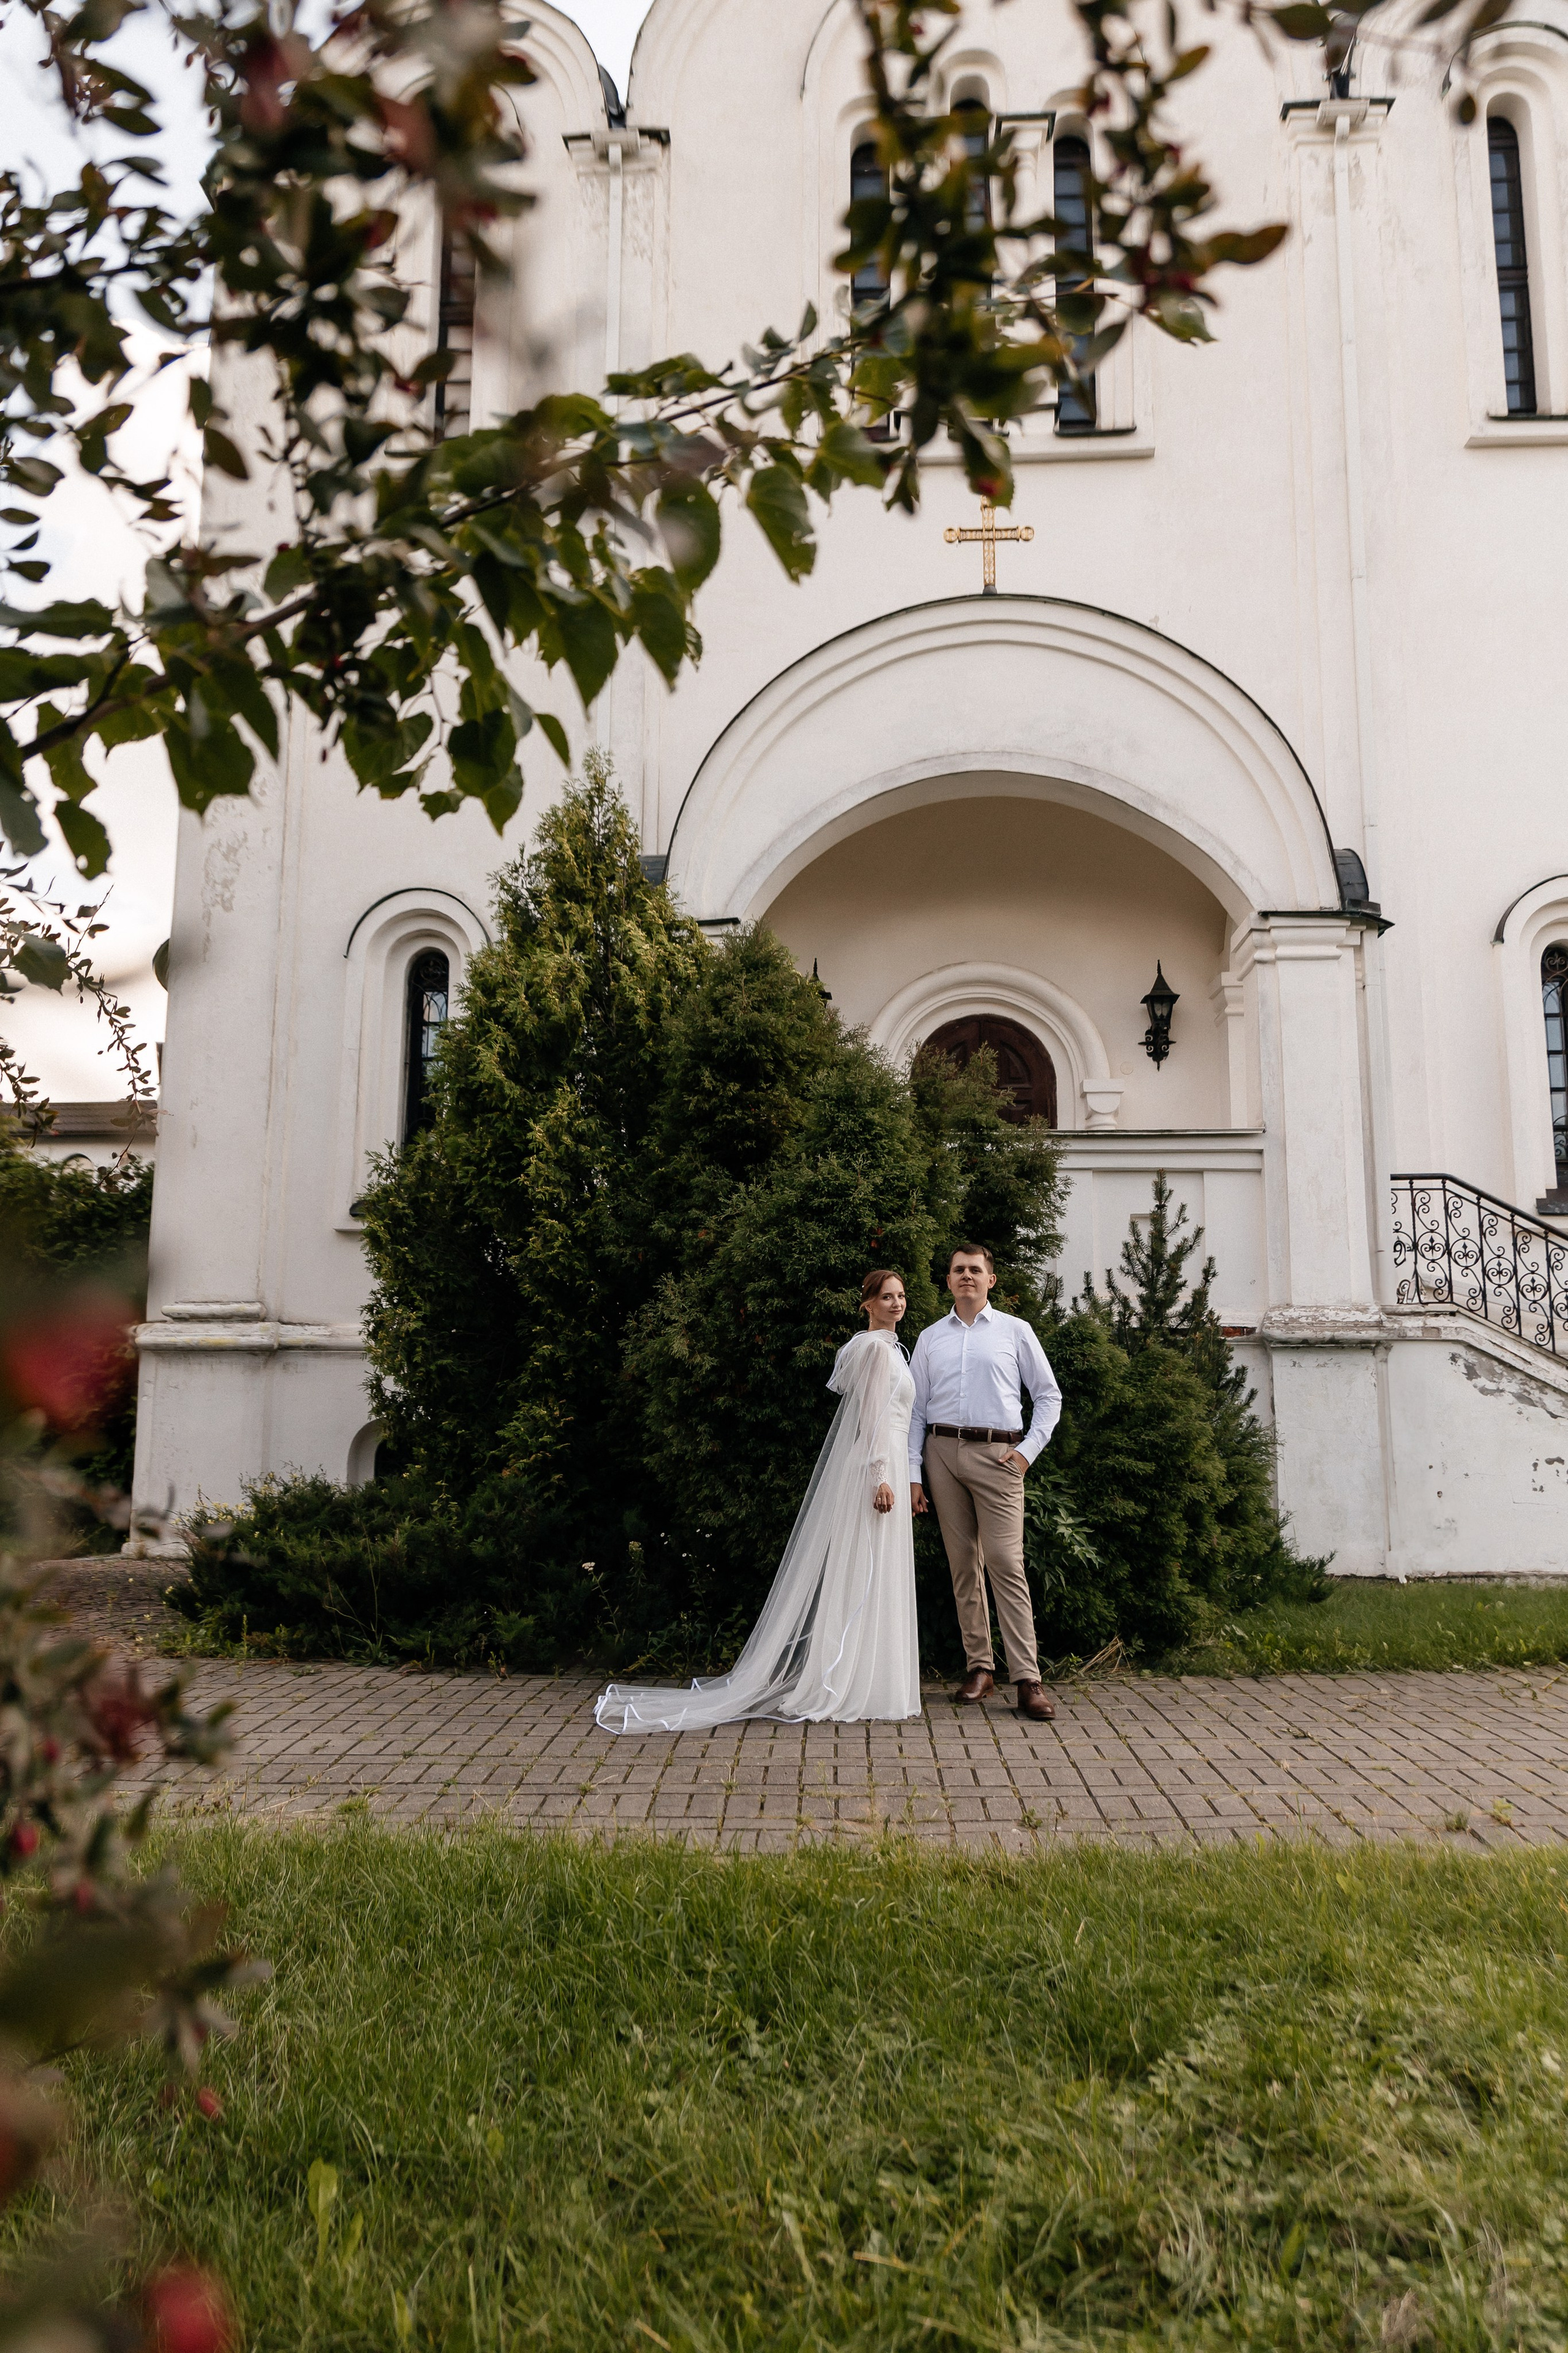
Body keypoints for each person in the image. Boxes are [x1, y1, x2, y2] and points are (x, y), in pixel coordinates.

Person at [595, 1270, 920, 1732]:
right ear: (866, 1303)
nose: (897, 1303)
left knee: (878, 1571)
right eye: (887, 1297)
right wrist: (881, 1475)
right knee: (866, 1571)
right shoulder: (872, 1350)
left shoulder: (888, 1350)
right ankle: (851, 1681)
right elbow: (869, 1414)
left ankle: (875, 1680)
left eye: (901, 1296)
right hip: (876, 1466)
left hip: (884, 1460)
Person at [909, 1243, 1062, 1723]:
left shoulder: (1015, 1332)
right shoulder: (931, 1338)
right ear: (949, 1279)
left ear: (991, 1280)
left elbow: (1048, 1395)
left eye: (976, 1270)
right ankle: (980, 1667)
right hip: (942, 1453)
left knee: (1004, 1561)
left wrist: (1026, 1453)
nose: (967, 1276)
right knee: (962, 1565)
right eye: (959, 1270)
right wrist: (914, 1474)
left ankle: (1027, 1679)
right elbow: (913, 1411)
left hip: (1000, 1456)